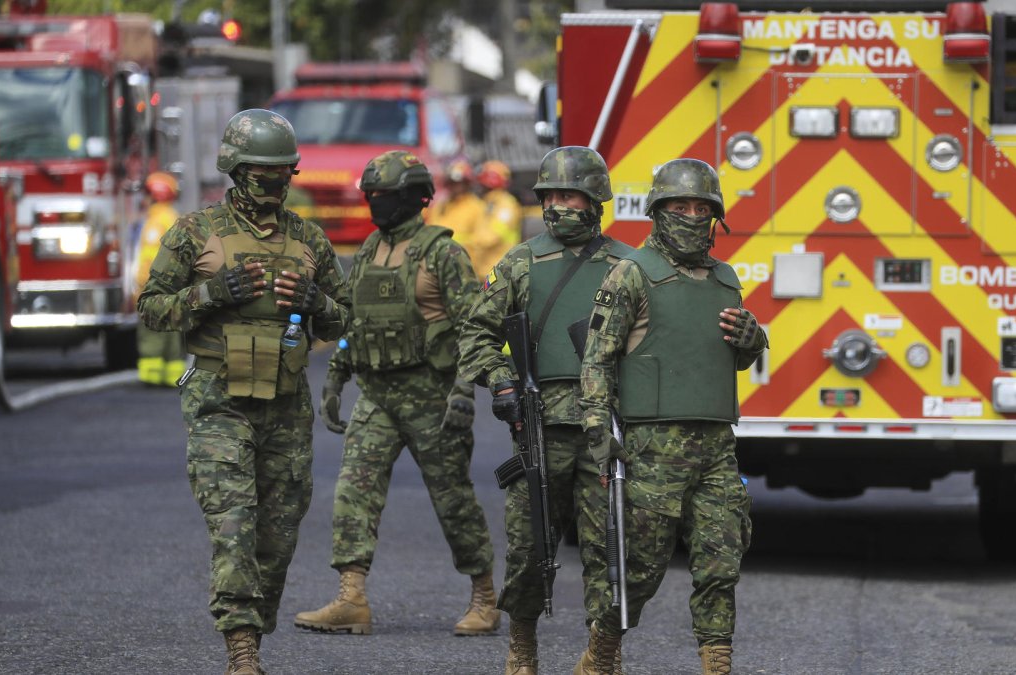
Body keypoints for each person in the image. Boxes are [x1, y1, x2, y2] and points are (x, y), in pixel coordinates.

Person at [137, 109, 349, 675]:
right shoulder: (195, 233)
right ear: (235, 169)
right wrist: (210, 294)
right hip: (217, 399)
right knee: (234, 523)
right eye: (262, 171)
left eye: (283, 171)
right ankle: (242, 650)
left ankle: (255, 627)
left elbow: (343, 320)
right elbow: (151, 309)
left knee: (278, 535)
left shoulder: (308, 239)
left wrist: (314, 301)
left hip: (285, 403)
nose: (274, 182)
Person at [293, 151, 499, 638]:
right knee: (353, 492)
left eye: (384, 196)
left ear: (413, 198)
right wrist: (337, 374)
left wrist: (465, 390)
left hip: (431, 395)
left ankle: (485, 598)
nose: (375, 205)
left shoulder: (444, 254)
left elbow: (476, 326)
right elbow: (354, 320)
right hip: (378, 396)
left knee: (453, 499)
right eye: (371, 197)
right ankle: (351, 598)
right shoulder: (368, 251)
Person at [577, 158, 767, 675]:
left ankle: (717, 660)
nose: (690, 215)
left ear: (715, 217)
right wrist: (597, 425)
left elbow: (730, 353)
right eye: (679, 206)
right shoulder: (632, 273)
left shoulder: (726, 279)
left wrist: (754, 340)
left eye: (701, 208)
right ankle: (603, 652)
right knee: (639, 569)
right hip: (651, 450)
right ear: (658, 212)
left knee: (721, 560)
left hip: (716, 448)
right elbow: (597, 357)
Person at [457, 146, 635, 675]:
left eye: (570, 195)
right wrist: (502, 380)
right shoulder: (521, 262)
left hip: (605, 429)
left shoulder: (627, 266)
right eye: (550, 196)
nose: (559, 206)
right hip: (539, 428)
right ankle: (522, 651)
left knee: (609, 549)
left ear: (594, 199)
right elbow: (476, 331)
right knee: (528, 545)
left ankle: (603, 656)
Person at [134, 171, 186, 386]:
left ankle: (151, 376)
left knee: (152, 331)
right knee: (172, 331)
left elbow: (150, 257)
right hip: (173, 285)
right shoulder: (174, 217)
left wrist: (142, 285)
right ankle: (173, 374)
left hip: (155, 286)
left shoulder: (156, 221)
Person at [427, 160, 490, 279]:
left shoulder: (477, 207)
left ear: (467, 183)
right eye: (452, 182)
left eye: (458, 183)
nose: (455, 186)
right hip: (437, 268)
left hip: (465, 269)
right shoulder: (440, 206)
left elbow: (481, 242)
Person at [476, 159, 523, 272]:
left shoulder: (507, 206)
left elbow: (491, 237)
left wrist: (467, 245)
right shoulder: (488, 203)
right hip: (488, 270)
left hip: (500, 272)